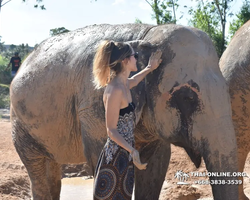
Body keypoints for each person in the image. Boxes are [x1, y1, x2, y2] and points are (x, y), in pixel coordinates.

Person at [92, 40, 162, 200]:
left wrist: (150, 68)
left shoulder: (123, 84)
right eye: (134, 55)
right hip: (115, 157)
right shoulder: (115, 90)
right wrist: (133, 150)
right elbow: (111, 130)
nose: (136, 58)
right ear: (125, 61)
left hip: (125, 155)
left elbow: (135, 80)